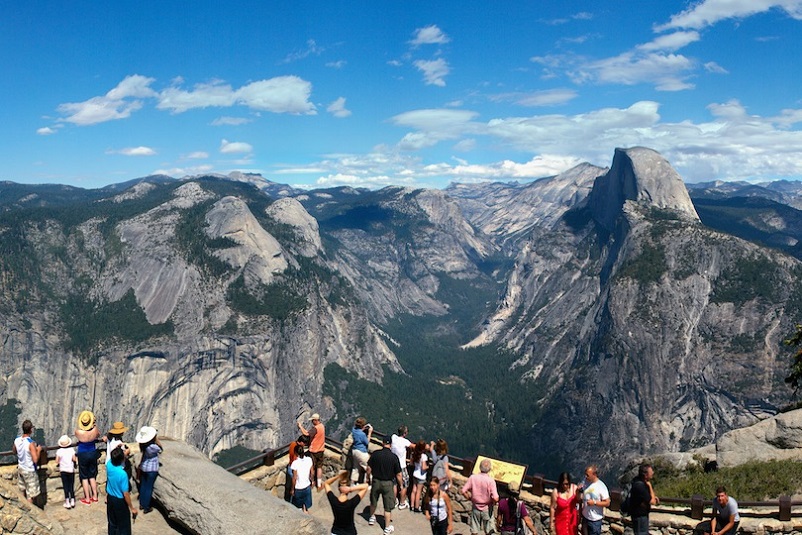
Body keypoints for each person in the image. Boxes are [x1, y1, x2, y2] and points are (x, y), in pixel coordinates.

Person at [367, 435, 403, 535]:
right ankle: (387, 528)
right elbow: (398, 474)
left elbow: (369, 468)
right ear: (390, 445)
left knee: (373, 500)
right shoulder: (394, 457)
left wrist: (367, 478)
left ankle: (371, 518)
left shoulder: (375, 454)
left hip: (376, 481)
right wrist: (401, 485)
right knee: (387, 507)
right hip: (388, 483)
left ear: (383, 443)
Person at [324, 470, 369, 535]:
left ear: (338, 488)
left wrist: (338, 476)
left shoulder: (333, 501)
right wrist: (350, 489)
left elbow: (326, 483)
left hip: (336, 531)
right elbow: (366, 486)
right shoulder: (352, 503)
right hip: (350, 532)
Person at [461, 458, 499, 535]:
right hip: (487, 508)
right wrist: (494, 502)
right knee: (489, 530)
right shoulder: (491, 481)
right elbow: (495, 497)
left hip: (475, 506)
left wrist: (469, 498)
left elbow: (463, 490)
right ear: (489, 469)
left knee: (474, 530)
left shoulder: (473, 477)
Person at [106, 446, 138, 535]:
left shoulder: (108, 464)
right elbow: (125, 494)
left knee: (112, 523)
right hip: (119, 501)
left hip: (110, 498)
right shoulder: (122, 474)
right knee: (123, 526)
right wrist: (132, 508)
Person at [12, 419, 43, 504]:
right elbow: (35, 459)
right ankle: (30, 512)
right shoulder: (31, 443)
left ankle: (23, 508)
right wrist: (39, 450)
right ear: (31, 430)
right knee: (31, 495)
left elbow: (14, 451)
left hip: (21, 468)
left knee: (22, 490)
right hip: (30, 471)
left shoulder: (17, 440)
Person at [75, 410, 101, 505]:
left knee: (84, 477)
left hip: (82, 454)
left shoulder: (78, 432)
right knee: (92, 476)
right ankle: (95, 497)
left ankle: (87, 499)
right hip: (92, 453)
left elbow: (78, 437)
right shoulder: (95, 430)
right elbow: (98, 434)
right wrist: (93, 425)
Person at [136, 425, 162, 514]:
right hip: (152, 469)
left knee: (143, 485)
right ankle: (146, 507)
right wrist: (156, 440)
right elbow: (161, 449)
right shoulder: (153, 447)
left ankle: (141, 504)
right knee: (149, 488)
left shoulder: (143, 445)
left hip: (144, 467)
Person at [298, 412, 326, 489]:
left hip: (314, 451)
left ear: (315, 420)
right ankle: (319, 484)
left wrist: (300, 426)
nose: (312, 422)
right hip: (321, 450)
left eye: (312, 420)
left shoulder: (315, 429)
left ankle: (312, 482)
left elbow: (306, 434)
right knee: (319, 467)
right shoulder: (322, 426)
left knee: (312, 467)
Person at [580, 465, 610, 535]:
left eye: (588, 475)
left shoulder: (601, 486)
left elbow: (607, 503)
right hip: (585, 517)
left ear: (594, 474)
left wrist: (595, 503)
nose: (586, 477)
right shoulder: (585, 481)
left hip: (595, 520)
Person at [630, 464, 659, 535]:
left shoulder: (636, 482)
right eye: (651, 472)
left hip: (639, 516)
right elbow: (652, 502)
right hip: (640, 517)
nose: (653, 473)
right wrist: (650, 486)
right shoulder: (640, 486)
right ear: (645, 475)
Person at [390, 425, 413, 510]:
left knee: (394, 484)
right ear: (405, 433)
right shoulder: (405, 442)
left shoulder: (393, 437)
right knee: (404, 485)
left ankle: (393, 501)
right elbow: (413, 446)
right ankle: (402, 503)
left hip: (393, 465)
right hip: (401, 466)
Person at [290, 443, 314, 512]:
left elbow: (294, 478)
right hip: (307, 486)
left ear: (296, 453)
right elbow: (312, 472)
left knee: (298, 508)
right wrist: (312, 481)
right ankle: (306, 511)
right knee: (306, 505)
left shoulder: (295, 463)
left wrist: (292, 489)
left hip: (298, 488)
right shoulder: (309, 459)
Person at [56, 434, 77, 508]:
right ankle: (73, 501)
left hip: (63, 470)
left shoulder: (59, 451)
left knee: (65, 486)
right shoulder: (71, 450)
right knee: (71, 486)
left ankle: (67, 501)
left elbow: (57, 461)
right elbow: (74, 459)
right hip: (70, 470)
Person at [350, 417, 373, 484]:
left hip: (354, 451)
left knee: (355, 468)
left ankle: (353, 483)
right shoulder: (362, 434)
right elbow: (367, 442)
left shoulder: (354, 430)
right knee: (367, 468)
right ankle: (367, 483)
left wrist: (363, 428)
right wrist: (369, 433)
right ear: (362, 425)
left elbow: (358, 431)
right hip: (361, 452)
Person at [410, 440, 429, 512]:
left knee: (413, 490)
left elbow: (411, 464)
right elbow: (423, 467)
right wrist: (428, 467)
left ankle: (411, 505)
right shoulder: (424, 456)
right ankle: (416, 507)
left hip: (415, 474)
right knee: (418, 492)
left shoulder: (414, 454)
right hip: (421, 476)